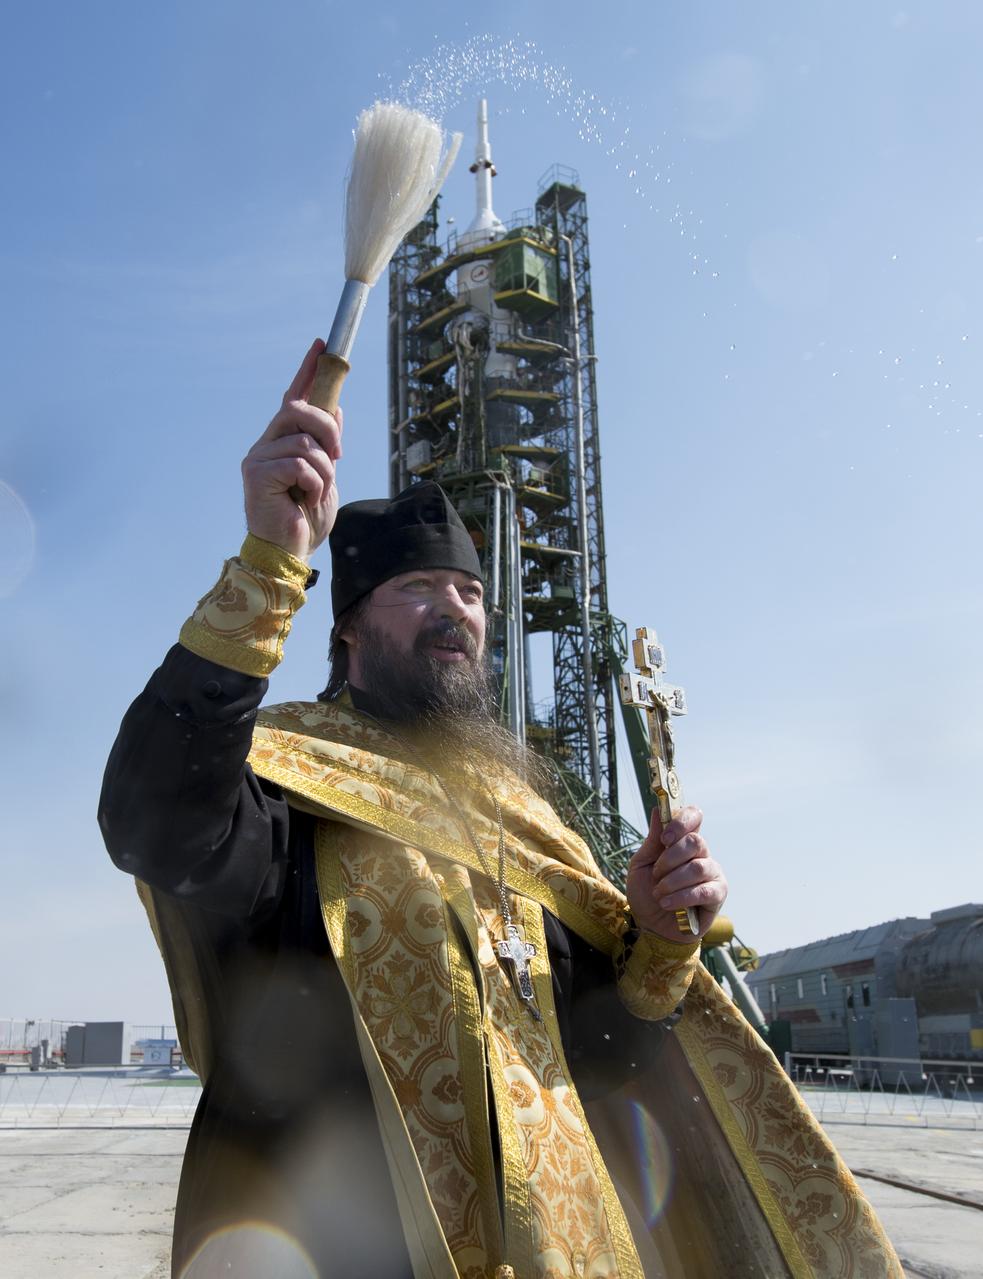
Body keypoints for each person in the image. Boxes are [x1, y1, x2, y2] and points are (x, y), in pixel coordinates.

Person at [99, 340, 902, 1279]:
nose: (456, 610)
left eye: (471, 591)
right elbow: (157, 823)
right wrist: (270, 564)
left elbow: (597, 1052)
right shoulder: (283, 775)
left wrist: (654, 936)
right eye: (418, 588)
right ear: (349, 625)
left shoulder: (521, 812)